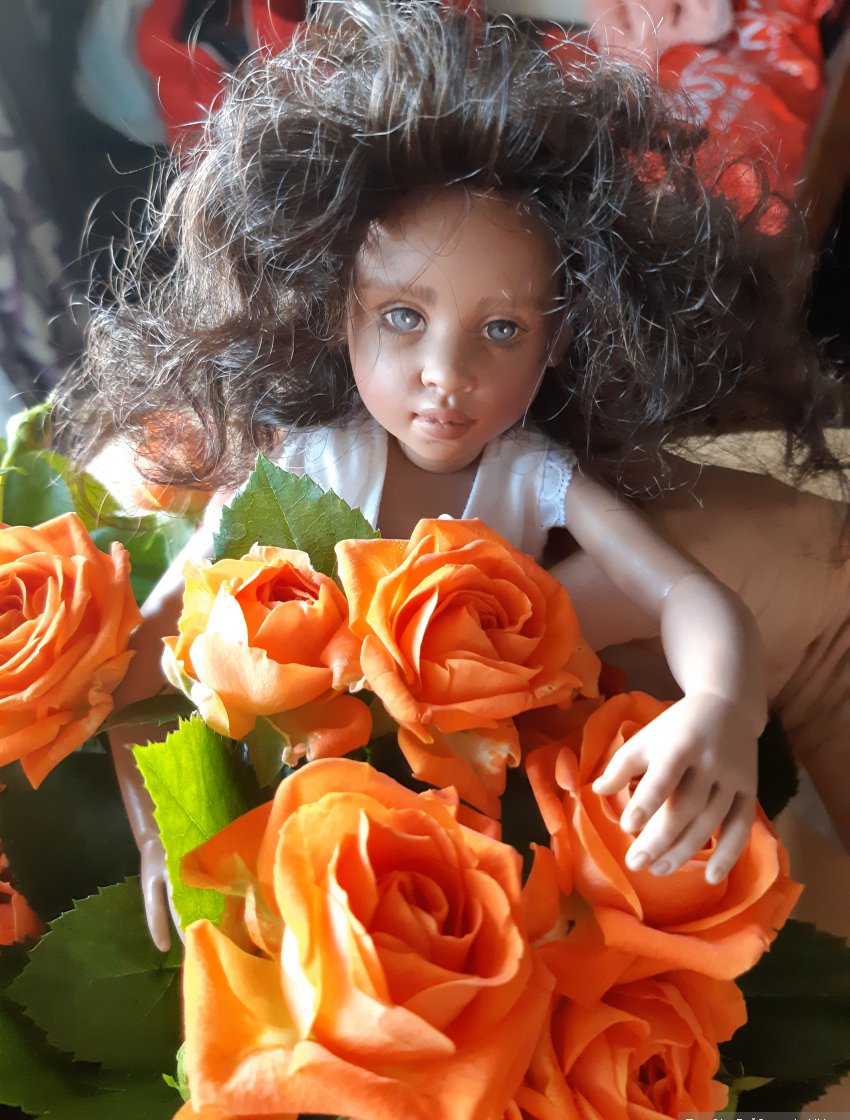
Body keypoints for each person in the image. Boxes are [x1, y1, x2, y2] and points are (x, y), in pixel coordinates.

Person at [63, 0, 847, 950]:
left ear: (561, 341)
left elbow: (684, 591)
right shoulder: (306, 467)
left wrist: (725, 704)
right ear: (338, 310)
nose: (447, 372)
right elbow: (152, 656)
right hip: (308, 790)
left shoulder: (534, 475)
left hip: (478, 792)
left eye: (502, 329)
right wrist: (161, 833)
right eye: (403, 317)